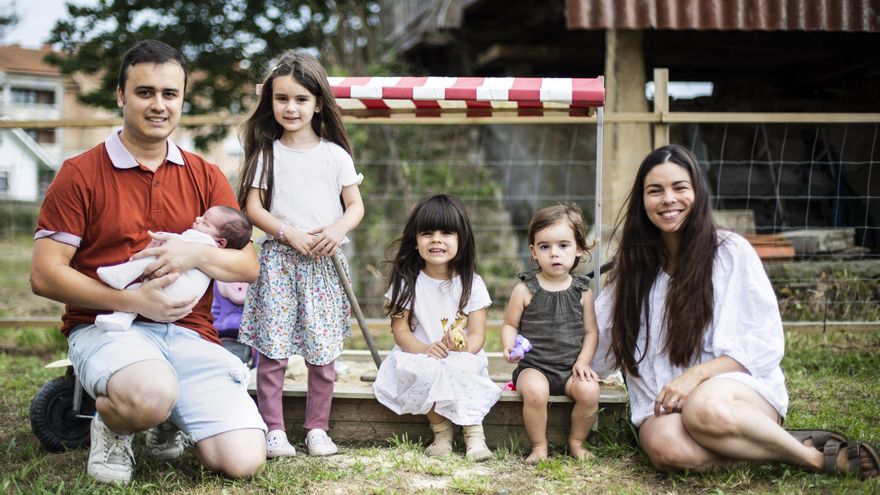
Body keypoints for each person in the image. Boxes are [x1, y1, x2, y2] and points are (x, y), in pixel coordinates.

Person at [30, 40, 267, 484]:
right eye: (145, 92)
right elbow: (44, 274)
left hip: (188, 334)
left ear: (181, 100)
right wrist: (134, 297)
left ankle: (165, 416)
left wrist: (194, 252)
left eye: (170, 94)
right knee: (149, 394)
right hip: (106, 328)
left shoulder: (205, 174)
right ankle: (114, 426)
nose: (158, 105)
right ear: (121, 96)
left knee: (243, 461)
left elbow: (247, 266)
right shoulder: (79, 173)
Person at [591, 144, 879, 479]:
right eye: (655, 191)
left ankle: (815, 460)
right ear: (643, 202)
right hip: (664, 407)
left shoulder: (730, 253)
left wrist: (695, 376)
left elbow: (761, 340)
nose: (668, 199)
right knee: (666, 449)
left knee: (703, 408)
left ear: (697, 192)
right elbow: (598, 341)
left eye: (679, 188)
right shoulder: (633, 269)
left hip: (736, 397)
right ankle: (782, 447)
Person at [236, 51, 365, 458]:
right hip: (278, 262)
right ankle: (273, 429)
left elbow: (356, 207)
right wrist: (287, 232)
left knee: (322, 353)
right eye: (281, 99)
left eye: (301, 99)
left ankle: (317, 429)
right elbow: (253, 209)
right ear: (270, 102)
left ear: (318, 103)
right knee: (273, 352)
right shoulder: (266, 155)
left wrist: (336, 229)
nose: (290, 108)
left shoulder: (335, 155)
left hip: (322, 265)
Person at [373, 194, 501, 462]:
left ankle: (474, 434)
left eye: (446, 233)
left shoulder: (472, 283)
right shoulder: (407, 282)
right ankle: (442, 434)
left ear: (461, 239)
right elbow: (401, 332)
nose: (436, 239)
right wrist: (426, 349)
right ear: (415, 240)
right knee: (425, 371)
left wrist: (463, 346)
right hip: (420, 353)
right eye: (427, 233)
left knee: (461, 368)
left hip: (459, 355)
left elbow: (478, 334)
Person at [500, 204, 601, 464]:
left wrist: (582, 362)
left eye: (563, 245)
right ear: (533, 252)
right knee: (535, 391)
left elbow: (591, 332)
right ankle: (539, 445)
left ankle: (577, 442)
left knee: (590, 392)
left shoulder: (583, 292)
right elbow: (510, 325)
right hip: (534, 367)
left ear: (579, 248)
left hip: (570, 370)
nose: (554, 253)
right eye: (545, 247)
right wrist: (509, 347)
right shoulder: (525, 289)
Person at [96, 206, 252, 331]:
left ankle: (119, 275)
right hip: (182, 301)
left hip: (174, 286)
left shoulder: (204, 240)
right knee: (137, 293)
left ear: (221, 242)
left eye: (205, 223)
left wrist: (162, 236)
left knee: (153, 259)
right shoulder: (217, 253)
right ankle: (120, 321)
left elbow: (177, 243)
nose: (197, 219)